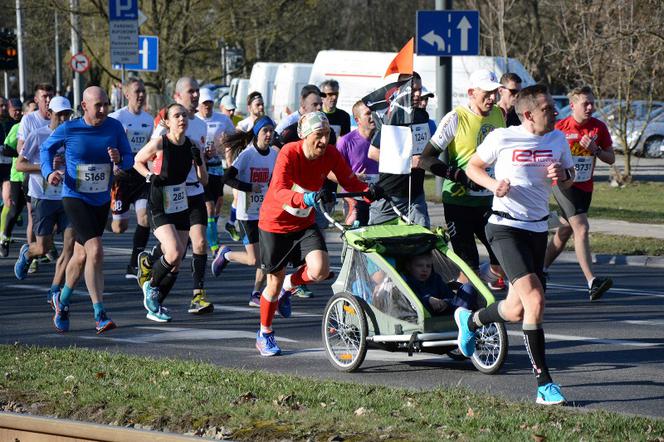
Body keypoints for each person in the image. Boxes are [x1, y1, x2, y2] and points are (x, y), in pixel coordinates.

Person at [460, 84, 575, 405]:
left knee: (514, 309)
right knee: (535, 299)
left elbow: (569, 176)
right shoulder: (502, 137)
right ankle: (544, 384)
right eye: (548, 109)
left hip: (537, 230)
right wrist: (494, 184)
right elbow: (473, 167)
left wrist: (562, 173)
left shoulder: (557, 138)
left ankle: (469, 321)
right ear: (528, 115)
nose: (555, 113)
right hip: (504, 227)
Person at [255, 111, 380, 356]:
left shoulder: (331, 154)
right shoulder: (289, 153)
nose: (323, 141)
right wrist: (307, 197)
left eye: (327, 135)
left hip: (304, 223)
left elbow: (350, 182)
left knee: (320, 270)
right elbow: (279, 190)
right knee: (273, 282)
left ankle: (289, 286)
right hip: (275, 223)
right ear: (304, 136)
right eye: (318, 136)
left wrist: (371, 191)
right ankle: (265, 332)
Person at [40, 86, 133, 334]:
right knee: (96, 250)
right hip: (75, 196)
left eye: (105, 104)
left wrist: (119, 160)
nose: (103, 110)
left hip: (100, 198)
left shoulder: (113, 127)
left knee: (81, 256)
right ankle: (99, 313)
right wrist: (49, 172)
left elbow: (128, 157)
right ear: (84, 106)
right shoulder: (70, 129)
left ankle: (63, 300)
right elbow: (45, 149)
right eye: (97, 105)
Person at [420, 69, 506, 289]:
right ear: (471, 92)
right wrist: (458, 176)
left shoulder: (499, 114)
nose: (492, 98)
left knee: (504, 262)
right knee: (470, 269)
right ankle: (464, 302)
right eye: (486, 93)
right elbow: (426, 158)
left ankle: (458, 288)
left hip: (490, 200)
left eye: (495, 92)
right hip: (460, 202)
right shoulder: (455, 117)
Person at [145, 76, 213, 315]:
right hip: (169, 194)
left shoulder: (202, 125)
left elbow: (202, 165)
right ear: (178, 96)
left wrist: (204, 158)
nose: (195, 96)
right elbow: (151, 158)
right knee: (174, 252)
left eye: (197, 91)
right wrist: (152, 177)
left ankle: (196, 295)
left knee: (197, 244)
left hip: (193, 192)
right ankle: (152, 272)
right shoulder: (164, 130)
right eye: (190, 92)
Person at [134, 103, 206, 322]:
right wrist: (148, 176)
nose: (182, 119)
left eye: (184, 115)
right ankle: (151, 286)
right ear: (167, 121)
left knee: (177, 261)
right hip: (159, 202)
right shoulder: (160, 143)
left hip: (179, 201)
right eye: (177, 116)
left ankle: (156, 306)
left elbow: (204, 180)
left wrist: (199, 160)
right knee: (173, 252)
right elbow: (137, 161)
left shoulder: (192, 145)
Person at [543, 86, 615, 301]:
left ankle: (540, 269)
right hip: (563, 184)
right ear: (572, 105)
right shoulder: (560, 128)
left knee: (565, 230)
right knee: (581, 228)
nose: (590, 107)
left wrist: (596, 150)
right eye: (586, 103)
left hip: (585, 186)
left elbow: (610, 158)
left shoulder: (598, 128)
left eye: (592, 103)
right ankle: (592, 281)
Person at [14, 96, 75, 309]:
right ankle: (28, 252)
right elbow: (21, 165)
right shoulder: (38, 135)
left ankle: (54, 290)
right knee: (43, 247)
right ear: (50, 114)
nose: (64, 118)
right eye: (60, 115)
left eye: (67, 114)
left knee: (70, 248)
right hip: (43, 197)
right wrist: (46, 168)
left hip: (69, 197)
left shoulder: (73, 136)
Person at [211, 116, 278, 307]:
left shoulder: (274, 155)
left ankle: (256, 293)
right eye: (265, 131)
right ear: (257, 133)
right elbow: (227, 178)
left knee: (266, 258)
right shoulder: (247, 155)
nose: (268, 135)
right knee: (253, 259)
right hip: (247, 214)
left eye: (271, 131)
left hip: (266, 213)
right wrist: (249, 187)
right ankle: (226, 254)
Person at [368, 72, 435, 227]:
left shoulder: (422, 116)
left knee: (422, 240)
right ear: (401, 90)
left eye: (419, 89)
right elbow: (373, 153)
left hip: (415, 194)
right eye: (413, 90)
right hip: (390, 195)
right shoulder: (392, 116)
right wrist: (406, 162)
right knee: (375, 242)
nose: (418, 94)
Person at [108, 78, 154, 279]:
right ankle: (105, 213)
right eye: (137, 91)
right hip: (121, 176)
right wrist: (113, 165)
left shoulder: (149, 120)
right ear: (127, 94)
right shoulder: (116, 118)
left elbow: (152, 149)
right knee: (119, 228)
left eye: (143, 91)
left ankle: (134, 264)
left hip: (140, 174)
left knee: (144, 218)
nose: (141, 95)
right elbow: (106, 144)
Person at [196, 88, 235, 255]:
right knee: (209, 207)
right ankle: (213, 244)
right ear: (199, 104)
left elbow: (234, 139)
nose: (207, 106)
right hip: (201, 168)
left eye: (210, 103)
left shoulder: (223, 120)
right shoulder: (194, 121)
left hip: (218, 167)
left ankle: (206, 231)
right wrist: (201, 154)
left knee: (218, 204)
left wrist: (226, 143)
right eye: (204, 103)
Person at [337, 100, 378, 226]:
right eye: (368, 114)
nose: (372, 117)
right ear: (357, 119)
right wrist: (353, 176)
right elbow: (333, 172)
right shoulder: (345, 142)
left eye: (374, 113)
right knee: (355, 231)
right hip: (355, 196)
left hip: (378, 194)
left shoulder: (382, 138)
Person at [401, 252, 478, 315]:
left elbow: (449, 295)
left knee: (468, 288)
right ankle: (463, 317)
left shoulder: (435, 279)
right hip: (426, 314)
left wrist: (445, 303)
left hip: (448, 311)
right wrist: (429, 300)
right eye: (419, 266)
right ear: (408, 267)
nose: (425, 269)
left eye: (428, 266)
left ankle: (463, 317)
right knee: (418, 304)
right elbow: (408, 301)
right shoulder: (406, 281)